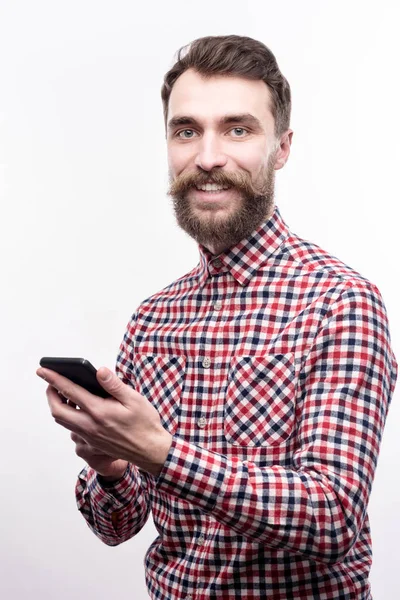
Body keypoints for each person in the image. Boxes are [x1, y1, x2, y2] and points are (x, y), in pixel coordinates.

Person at [37, 35, 397, 600]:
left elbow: (332, 517)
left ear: (281, 147)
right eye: (187, 131)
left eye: (237, 128)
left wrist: (161, 452)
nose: (207, 157)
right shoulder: (153, 319)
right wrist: (110, 463)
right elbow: (117, 528)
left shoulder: (341, 302)